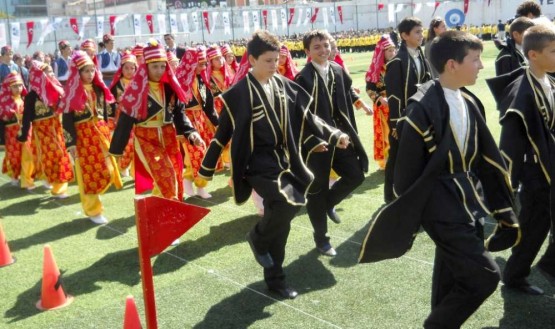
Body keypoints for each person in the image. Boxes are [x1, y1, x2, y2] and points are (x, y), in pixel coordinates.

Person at [359, 31, 520, 329]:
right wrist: (426, 212)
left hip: (467, 203)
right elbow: (403, 177)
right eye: (474, 60)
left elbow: (487, 159)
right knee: (485, 277)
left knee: (449, 276)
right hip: (441, 209)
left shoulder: (469, 101)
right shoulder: (420, 109)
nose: (481, 66)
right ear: (452, 64)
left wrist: (502, 209)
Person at [198, 30, 351, 299]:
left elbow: (308, 118)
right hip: (256, 164)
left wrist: (334, 134)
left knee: (283, 222)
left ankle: (276, 280)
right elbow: (222, 133)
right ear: (252, 59)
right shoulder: (238, 94)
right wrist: (206, 168)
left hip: (284, 160)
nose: (274, 65)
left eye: (277, 59)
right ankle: (257, 237)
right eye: (268, 60)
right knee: (288, 202)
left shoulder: (284, 85)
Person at [487, 24, 555, 296]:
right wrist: (507, 187)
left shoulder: (549, 81)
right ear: (534, 55)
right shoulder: (521, 94)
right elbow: (510, 146)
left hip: (550, 167)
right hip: (536, 174)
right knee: (534, 227)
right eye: (553, 50)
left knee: (538, 226)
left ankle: (535, 268)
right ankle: (515, 275)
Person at [296, 30, 371, 256]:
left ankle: (328, 203)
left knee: (356, 175)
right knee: (316, 190)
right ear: (307, 52)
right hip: (317, 141)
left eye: (326, 45)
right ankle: (322, 239)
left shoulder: (337, 69)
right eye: (317, 47)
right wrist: (315, 141)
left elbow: (346, 90)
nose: (323, 50)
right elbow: (304, 115)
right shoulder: (303, 78)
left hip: (340, 137)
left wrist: (359, 103)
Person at [109, 40, 202, 202]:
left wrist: (191, 132)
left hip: (168, 136)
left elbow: (179, 114)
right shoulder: (136, 90)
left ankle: (161, 212)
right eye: (154, 67)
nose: (159, 71)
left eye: (162, 66)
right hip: (146, 138)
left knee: (174, 175)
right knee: (166, 176)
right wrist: (116, 150)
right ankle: (166, 211)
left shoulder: (170, 87)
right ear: (146, 67)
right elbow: (125, 121)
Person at [60, 51, 122, 225]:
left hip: (100, 134)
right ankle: (93, 210)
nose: (90, 74)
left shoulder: (98, 89)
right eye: (86, 71)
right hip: (83, 137)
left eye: (92, 70)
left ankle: (96, 201)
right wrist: (71, 143)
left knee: (108, 168)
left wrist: (108, 130)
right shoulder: (70, 93)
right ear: (78, 73)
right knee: (88, 173)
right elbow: (67, 120)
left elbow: (104, 113)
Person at [384, 17, 432, 203]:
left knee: (418, 157)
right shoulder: (396, 62)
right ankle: (389, 196)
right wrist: (395, 124)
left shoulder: (421, 55)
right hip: (402, 120)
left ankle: (414, 195)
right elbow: (394, 96)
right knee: (396, 158)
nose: (421, 35)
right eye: (417, 32)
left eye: (422, 31)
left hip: (419, 116)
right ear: (404, 35)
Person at [18, 61, 74, 198]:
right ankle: (53, 182)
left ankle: (59, 187)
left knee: (60, 155)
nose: (51, 74)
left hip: (57, 129)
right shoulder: (31, 96)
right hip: (42, 133)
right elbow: (27, 117)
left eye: (51, 71)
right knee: (50, 157)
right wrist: (24, 134)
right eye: (47, 72)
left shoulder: (57, 90)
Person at [175, 47, 218, 199]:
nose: (204, 67)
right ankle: (190, 181)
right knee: (195, 153)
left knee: (203, 154)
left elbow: (209, 106)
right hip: (186, 122)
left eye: (205, 64)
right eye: (200, 64)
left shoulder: (201, 80)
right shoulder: (180, 82)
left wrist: (217, 122)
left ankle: (194, 183)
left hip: (201, 120)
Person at [0, 71, 36, 189]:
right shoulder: (4, 102)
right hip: (11, 133)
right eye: (15, 86)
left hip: (26, 131)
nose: (18, 88)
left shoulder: (25, 100)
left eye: (20, 85)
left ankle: (28, 180)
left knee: (28, 154)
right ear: (8, 87)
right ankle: (15, 175)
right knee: (14, 156)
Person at [365, 35, 397, 171]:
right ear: (382, 53)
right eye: (389, 50)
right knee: (385, 133)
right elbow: (369, 89)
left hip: (396, 105)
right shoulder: (375, 70)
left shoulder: (396, 65)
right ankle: (387, 160)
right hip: (382, 107)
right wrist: (379, 99)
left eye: (393, 50)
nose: (392, 53)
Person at [108, 51, 138, 176]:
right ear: (122, 68)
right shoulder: (117, 85)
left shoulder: (140, 83)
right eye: (126, 68)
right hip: (123, 118)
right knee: (127, 143)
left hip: (138, 117)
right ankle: (122, 165)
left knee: (137, 144)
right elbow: (110, 102)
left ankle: (135, 170)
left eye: (132, 68)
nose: (129, 71)